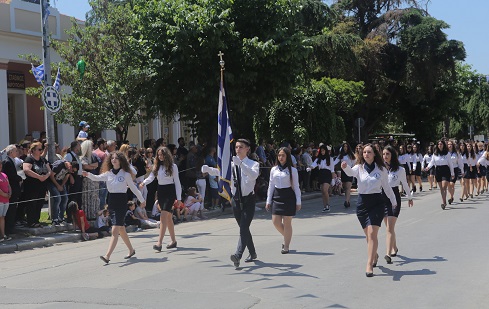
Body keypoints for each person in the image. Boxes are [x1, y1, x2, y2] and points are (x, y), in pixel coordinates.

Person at [202, 139, 260, 268]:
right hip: (236, 199)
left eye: (241, 147)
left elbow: (253, 176)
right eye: (237, 147)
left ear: (247, 149)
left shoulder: (253, 164)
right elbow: (221, 173)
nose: (238, 149)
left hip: (248, 200)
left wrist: (241, 165)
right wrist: (208, 169)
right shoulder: (231, 164)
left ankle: (238, 255)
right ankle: (253, 252)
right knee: (243, 228)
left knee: (244, 228)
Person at [341, 144, 397, 277]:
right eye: (364, 152)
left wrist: (394, 202)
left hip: (377, 203)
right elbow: (350, 172)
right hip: (362, 204)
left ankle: (369, 263)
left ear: (374, 154)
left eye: (369, 152)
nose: (366, 154)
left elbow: (387, 188)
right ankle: (374, 255)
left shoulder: (381, 169)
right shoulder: (359, 168)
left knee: (372, 234)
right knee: (368, 236)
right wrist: (345, 167)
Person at [83, 151, 145, 264]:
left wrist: (142, 200)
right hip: (111, 202)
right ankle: (131, 250)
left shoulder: (125, 174)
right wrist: (88, 175)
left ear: (121, 161)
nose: (114, 160)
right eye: (112, 158)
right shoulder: (108, 173)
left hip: (121, 202)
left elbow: (133, 188)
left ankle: (107, 256)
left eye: (116, 158)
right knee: (121, 229)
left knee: (115, 229)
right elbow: (97, 178)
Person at [140, 147, 181, 252]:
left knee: (163, 216)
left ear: (166, 155)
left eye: (162, 155)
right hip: (161, 191)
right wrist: (143, 183)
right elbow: (151, 178)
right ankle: (173, 240)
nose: (160, 157)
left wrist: (179, 198)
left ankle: (159, 242)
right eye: (158, 155)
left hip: (170, 191)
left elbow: (177, 182)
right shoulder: (157, 167)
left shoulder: (173, 166)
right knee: (168, 218)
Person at [265, 147, 301, 254]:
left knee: (287, 222)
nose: (281, 157)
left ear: (287, 157)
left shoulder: (292, 170)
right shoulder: (274, 169)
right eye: (279, 155)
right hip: (277, 196)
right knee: (275, 221)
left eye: (283, 155)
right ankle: (287, 236)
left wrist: (298, 201)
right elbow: (271, 185)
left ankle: (286, 245)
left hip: (289, 196)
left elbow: (296, 186)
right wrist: (268, 200)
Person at [381, 146, 413, 264]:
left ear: (392, 155)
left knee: (390, 227)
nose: (385, 156)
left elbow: (404, 184)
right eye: (383, 154)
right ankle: (394, 247)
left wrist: (409, 197)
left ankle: (387, 253)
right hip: (382, 198)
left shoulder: (400, 169)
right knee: (389, 228)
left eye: (387, 154)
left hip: (394, 197)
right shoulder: (380, 168)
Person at [23, 142, 51, 228]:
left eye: (41, 149)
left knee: (39, 204)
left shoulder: (43, 160)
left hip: (42, 186)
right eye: (39, 149)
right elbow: (26, 169)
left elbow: (49, 170)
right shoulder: (29, 159)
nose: (41, 151)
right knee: (32, 204)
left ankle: (36, 221)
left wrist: (45, 176)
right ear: (33, 150)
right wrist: (39, 177)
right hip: (32, 187)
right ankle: (31, 222)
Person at [424, 140, 455, 209]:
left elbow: (450, 164)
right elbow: (432, 162)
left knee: (444, 187)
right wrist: (428, 167)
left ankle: (444, 202)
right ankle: (444, 202)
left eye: (441, 144)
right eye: (438, 144)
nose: (440, 145)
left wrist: (452, 173)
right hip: (438, 170)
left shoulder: (447, 153)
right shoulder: (435, 154)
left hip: (445, 170)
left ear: (443, 145)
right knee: (441, 188)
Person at [2, 145, 22, 236]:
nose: (17, 152)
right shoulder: (7, 162)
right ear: (11, 152)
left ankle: (10, 227)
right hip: (11, 189)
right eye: (15, 151)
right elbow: (10, 175)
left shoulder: (12, 161)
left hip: (14, 188)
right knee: (10, 210)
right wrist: (19, 178)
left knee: (13, 209)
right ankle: (8, 229)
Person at [308, 144, 334, 212]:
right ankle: (325, 206)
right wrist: (310, 168)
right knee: (322, 191)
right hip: (321, 174)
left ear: (326, 151)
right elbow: (314, 165)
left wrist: (333, 179)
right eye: (321, 151)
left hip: (327, 174)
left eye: (323, 150)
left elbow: (332, 170)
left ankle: (328, 205)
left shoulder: (330, 159)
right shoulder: (318, 159)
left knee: (325, 190)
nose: (322, 152)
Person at [80, 140, 100, 220]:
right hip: (87, 180)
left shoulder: (93, 156)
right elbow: (85, 166)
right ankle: (88, 215)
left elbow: (97, 165)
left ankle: (94, 214)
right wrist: (92, 166)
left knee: (94, 197)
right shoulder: (83, 157)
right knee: (88, 197)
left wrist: (90, 166)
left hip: (94, 178)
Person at [47, 159, 72, 225]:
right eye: (71, 170)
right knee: (58, 199)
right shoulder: (59, 165)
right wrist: (57, 186)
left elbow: (66, 177)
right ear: (70, 166)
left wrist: (61, 185)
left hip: (60, 181)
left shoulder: (69, 170)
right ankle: (55, 219)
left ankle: (61, 217)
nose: (71, 172)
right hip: (52, 181)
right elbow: (51, 176)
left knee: (65, 198)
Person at [333, 142, 355, 208]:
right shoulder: (341, 155)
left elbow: (354, 163)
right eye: (344, 146)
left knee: (348, 187)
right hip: (343, 172)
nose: (345, 148)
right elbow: (335, 162)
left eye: (346, 146)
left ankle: (346, 201)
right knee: (345, 187)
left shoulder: (351, 155)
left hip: (350, 171)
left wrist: (353, 170)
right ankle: (348, 200)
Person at [446, 140, 464, 205]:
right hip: (447, 169)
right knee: (448, 184)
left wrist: (462, 171)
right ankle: (451, 196)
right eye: (448, 144)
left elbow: (460, 163)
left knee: (452, 184)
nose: (449, 145)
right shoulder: (445, 153)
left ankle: (450, 197)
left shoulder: (456, 153)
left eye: (451, 144)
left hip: (455, 169)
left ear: (453, 145)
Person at [0, 160, 12, 241]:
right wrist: (4, 194)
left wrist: (10, 192)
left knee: (3, 217)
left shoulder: (4, 175)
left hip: (6, 200)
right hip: (0, 199)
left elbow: (8, 185)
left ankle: (3, 234)